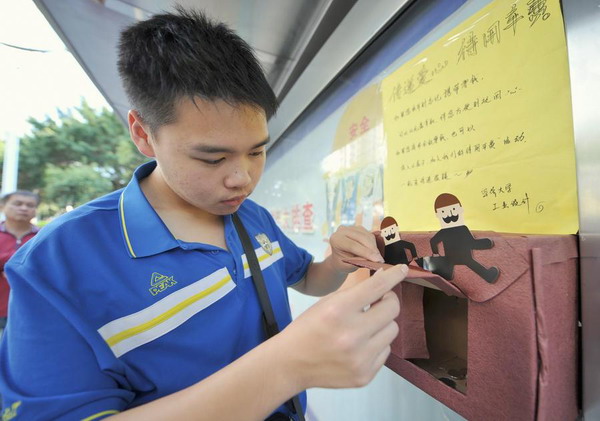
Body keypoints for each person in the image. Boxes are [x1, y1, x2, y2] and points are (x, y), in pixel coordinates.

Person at [0, 9, 408, 421]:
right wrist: (285, 369)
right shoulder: (57, 263)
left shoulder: (253, 218)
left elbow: (307, 279)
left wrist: (338, 261)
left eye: (257, 150)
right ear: (143, 134)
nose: (242, 179)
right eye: (212, 158)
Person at [418, 193, 499, 283]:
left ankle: (446, 276)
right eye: (444, 212)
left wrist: (436, 253)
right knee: (471, 263)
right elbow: (472, 243)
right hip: (465, 257)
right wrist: (486, 243)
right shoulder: (462, 229)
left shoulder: (445, 231)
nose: (449, 215)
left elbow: (433, 241)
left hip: (450, 258)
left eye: (453, 209)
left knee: (451, 266)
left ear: (461, 209)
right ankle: (488, 275)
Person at [0, 190, 40, 335]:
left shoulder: (43, 237)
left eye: (30, 205)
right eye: (18, 204)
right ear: (3, 206)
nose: (24, 208)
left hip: (30, 308)